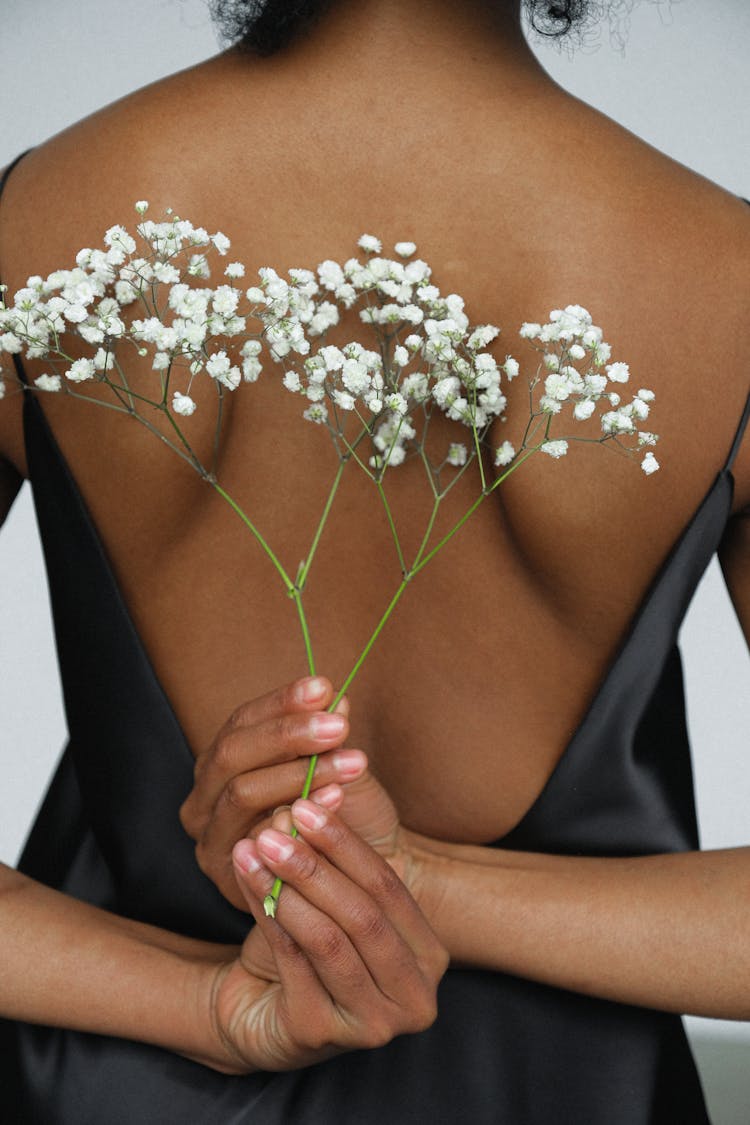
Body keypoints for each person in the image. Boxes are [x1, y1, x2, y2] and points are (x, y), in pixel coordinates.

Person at [0, 0, 748, 1120]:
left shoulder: (36, 223)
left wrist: (211, 1006)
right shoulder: (722, 276)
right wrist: (425, 889)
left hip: (113, 1086)